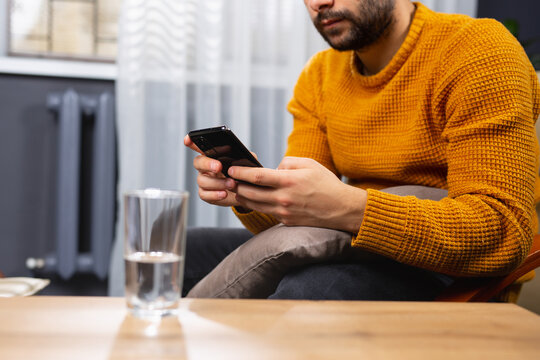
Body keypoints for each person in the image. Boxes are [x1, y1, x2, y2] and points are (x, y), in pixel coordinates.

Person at [182, 0, 540, 300]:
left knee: (312, 290)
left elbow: (503, 232)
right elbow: (295, 226)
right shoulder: (321, 75)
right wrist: (249, 192)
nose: (318, 3)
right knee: (184, 249)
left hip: (446, 264)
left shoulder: (478, 50)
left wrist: (346, 206)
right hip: (349, 236)